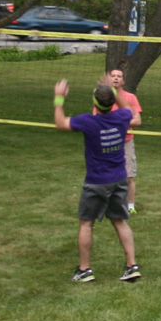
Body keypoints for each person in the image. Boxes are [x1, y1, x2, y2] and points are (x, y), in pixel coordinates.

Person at [54, 76, 140, 283]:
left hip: (96, 181)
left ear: (94, 103)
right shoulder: (121, 117)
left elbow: (60, 123)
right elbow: (128, 107)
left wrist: (59, 98)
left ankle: (85, 270)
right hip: (119, 179)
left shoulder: (88, 121)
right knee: (120, 221)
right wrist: (114, 90)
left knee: (86, 224)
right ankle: (132, 265)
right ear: (111, 102)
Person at [107, 67, 143, 213]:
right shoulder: (103, 96)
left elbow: (137, 121)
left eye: (118, 76)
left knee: (128, 177)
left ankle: (130, 206)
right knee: (107, 176)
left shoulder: (130, 97)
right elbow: (97, 118)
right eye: (113, 76)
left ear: (123, 81)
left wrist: (119, 121)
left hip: (126, 141)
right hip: (108, 142)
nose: (115, 78)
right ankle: (107, 203)